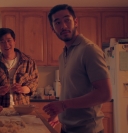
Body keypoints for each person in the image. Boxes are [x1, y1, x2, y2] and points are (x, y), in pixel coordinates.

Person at [43, 4, 112, 133]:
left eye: (67, 20)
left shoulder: (89, 49)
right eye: (57, 23)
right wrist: (61, 113)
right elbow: (72, 91)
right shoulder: (63, 55)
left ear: (75, 22)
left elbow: (105, 93)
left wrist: (63, 105)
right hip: (67, 127)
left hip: (88, 130)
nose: (63, 26)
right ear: (53, 29)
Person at [0, 28, 39, 108]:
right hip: (0, 109)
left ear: (14, 41)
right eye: (2, 42)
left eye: (9, 40)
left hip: (22, 109)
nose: (6, 44)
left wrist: (22, 89)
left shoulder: (28, 61)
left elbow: (34, 83)